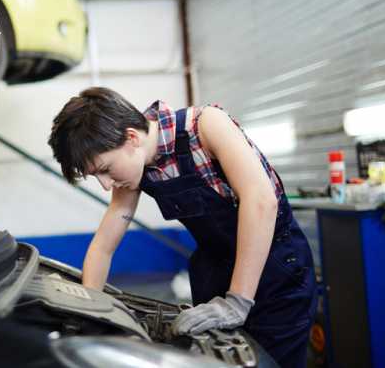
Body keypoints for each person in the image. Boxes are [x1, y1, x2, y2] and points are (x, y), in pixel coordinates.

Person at [48, 87, 317, 368]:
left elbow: (261, 201)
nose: (106, 185)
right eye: (96, 177)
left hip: (275, 270)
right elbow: (103, 247)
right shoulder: (134, 170)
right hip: (216, 270)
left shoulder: (206, 126)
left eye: (105, 169)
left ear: (131, 137)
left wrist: (237, 301)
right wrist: (89, 310)